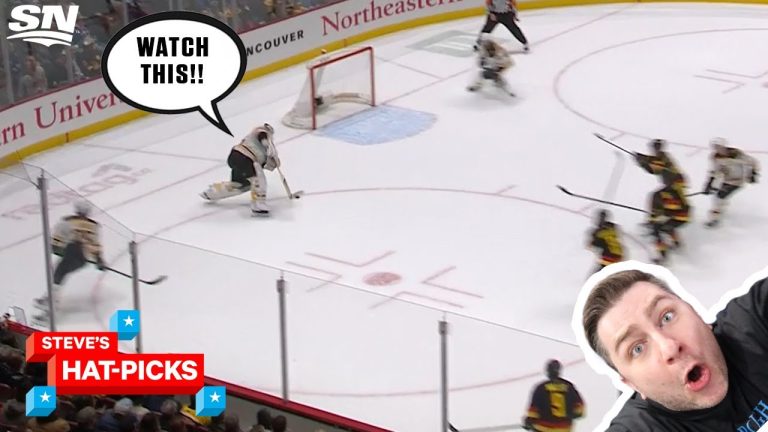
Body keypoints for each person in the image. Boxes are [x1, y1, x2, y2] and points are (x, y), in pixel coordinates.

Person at [580, 267, 768, 431]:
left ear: (697, 314)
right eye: (637, 349)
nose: (669, 347)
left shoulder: (754, 322)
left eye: (667, 317)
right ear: (631, 384)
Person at [33, 200, 106, 324]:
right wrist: (99, 259)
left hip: (71, 252)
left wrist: (56, 247)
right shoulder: (93, 226)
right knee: (58, 275)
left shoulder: (67, 221)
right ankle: (49, 299)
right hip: (82, 258)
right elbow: (95, 244)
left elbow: (57, 238)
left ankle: (50, 310)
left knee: (58, 275)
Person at [201, 123, 280, 216]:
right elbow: (263, 139)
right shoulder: (261, 133)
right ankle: (258, 204)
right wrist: (272, 152)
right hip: (244, 158)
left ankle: (213, 191)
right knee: (258, 180)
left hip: (236, 157)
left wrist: (273, 161)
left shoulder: (258, 146)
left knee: (242, 184)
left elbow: (266, 163)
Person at [702, 137, 760, 227]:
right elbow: (714, 171)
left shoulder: (738, 155)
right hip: (727, 180)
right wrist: (709, 185)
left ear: (724, 146)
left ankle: (715, 219)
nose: (718, 149)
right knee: (718, 198)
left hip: (739, 181)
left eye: (719, 147)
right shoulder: (716, 158)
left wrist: (754, 174)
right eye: (715, 147)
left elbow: (754, 162)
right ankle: (718, 214)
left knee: (720, 197)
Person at [522, 359, 585, 431]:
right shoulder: (569, 387)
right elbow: (580, 409)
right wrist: (571, 414)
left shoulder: (541, 388)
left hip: (544, 428)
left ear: (547, 371)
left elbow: (533, 411)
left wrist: (528, 422)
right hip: (564, 428)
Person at [648, 170, 690, 264]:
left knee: (658, 230)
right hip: (679, 217)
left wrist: (657, 217)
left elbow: (683, 208)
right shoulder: (661, 194)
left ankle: (663, 254)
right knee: (663, 227)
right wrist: (654, 216)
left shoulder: (672, 192)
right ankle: (675, 244)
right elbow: (655, 211)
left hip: (680, 217)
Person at [587, 209, 625, 274]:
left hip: (609, 256)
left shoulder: (598, 233)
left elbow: (592, 245)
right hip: (619, 255)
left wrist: (592, 240)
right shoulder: (612, 228)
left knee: (598, 275)